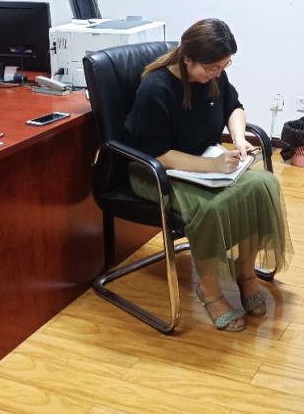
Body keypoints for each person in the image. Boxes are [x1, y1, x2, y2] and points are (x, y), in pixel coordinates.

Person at [124, 18, 292, 332]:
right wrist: (213, 167)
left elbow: (234, 106)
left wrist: (239, 139)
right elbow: (159, 154)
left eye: (223, 66)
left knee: (262, 186)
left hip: (202, 161)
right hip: (155, 172)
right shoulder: (156, 89)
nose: (217, 73)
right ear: (188, 58)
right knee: (211, 207)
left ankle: (245, 275)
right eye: (212, 68)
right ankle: (210, 291)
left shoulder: (214, 75)